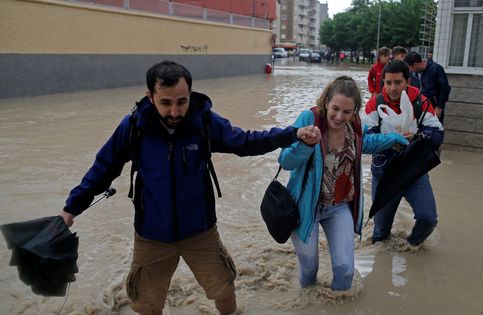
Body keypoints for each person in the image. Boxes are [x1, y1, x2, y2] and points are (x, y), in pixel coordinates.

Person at [58, 60, 320, 315]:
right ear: (150, 96)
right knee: (146, 305)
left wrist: (292, 134)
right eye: (166, 102)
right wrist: (71, 209)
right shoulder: (134, 127)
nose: (175, 111)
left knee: (225, 295)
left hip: (200, 232)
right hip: (151, 235)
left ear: (189, 94)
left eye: (181, 102)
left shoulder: (204, 122)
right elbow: (103, 168)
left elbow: (246, 142)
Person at [278, 76, 408, 290]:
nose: (339, 117)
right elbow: (286, 161)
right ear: (327, 101)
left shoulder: (355, 125)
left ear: (355, 110)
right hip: (304, 207)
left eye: (347, 112)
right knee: (309, 270)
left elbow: (365, 143)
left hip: (339, 207)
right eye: (335, 108)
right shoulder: (308, 119)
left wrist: (393, 139)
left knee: (345, 271)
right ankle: (308, 304)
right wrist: (305, 145)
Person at [363, 60, 444, 247]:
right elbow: (365, 139)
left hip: (413, 171)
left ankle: (411, 246)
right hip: (385, 174)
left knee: (428, 219)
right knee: (380, 235)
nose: (392, 88)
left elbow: (438, 134)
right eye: (388, 82)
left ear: (408, 82)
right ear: (383, 82)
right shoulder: (375, 104)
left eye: (398, 82)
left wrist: (418, 136)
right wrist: (390, 140)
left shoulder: (421, 102)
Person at [404, 51, 451, 123]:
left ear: (415, 64)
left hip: (433, 107)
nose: (410, 70)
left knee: (434, 130)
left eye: (410, 68)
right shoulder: (415, 73)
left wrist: (439, 107)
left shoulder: (436, 69)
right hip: (419, 108)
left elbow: (445, 88)